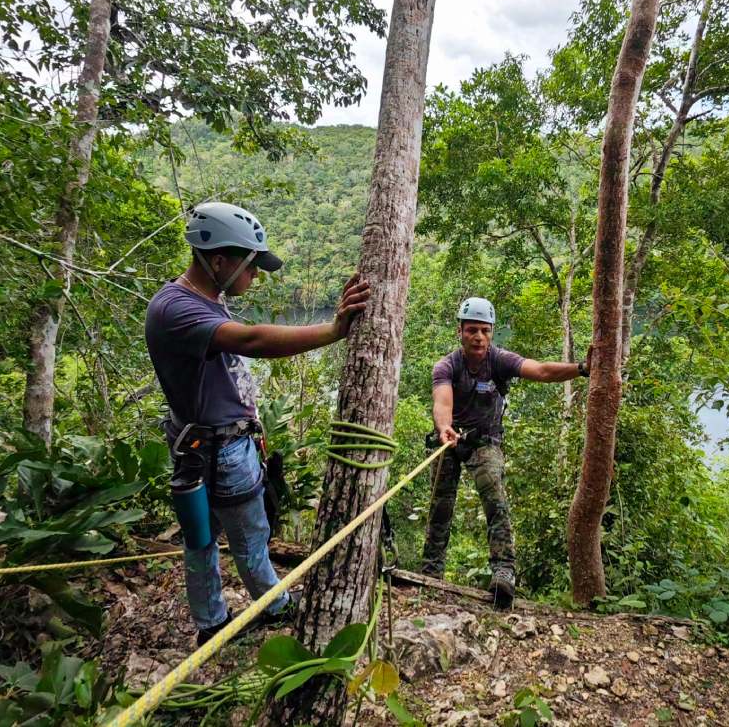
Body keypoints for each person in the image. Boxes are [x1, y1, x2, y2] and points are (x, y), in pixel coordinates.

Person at [145, 201, 369, 646]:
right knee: (247, 536)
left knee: (204, 537)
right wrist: (334, 330)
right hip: (218, 450)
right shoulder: (176, 310)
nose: (255, 276)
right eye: (251, 266)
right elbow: (251, 340)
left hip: (202, 444)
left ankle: (212, 620)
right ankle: (272, 606)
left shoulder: (200, 299)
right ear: (218, 260)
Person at [422, 297, 589, 608]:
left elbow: (540, 370)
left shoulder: (499, 360)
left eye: (485, 331)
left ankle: (504, 571)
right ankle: (431, 573)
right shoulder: (447, 365)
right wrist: (444, 427)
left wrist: (581, 369)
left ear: (492, 333)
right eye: (472, 330)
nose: (479, 337)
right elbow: (442, 401)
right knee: (439, 507)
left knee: (495, 500)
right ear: (460, 331)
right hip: (449, 440)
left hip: (485, 441)